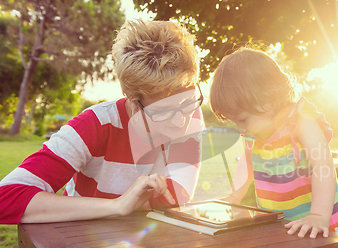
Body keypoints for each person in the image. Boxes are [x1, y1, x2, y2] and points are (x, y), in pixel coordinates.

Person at [0, 19, 204, 224]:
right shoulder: (94, 125)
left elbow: (177, 195)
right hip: (74, 240)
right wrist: (117, 205)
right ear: (133, 102)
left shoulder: (191, 116)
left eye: (187, 102)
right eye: (162, 112)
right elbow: (6, 199)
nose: (180, 122)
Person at [210, 47, 338, 248]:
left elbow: (323, 165)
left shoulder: (302, 122)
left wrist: (318, 216)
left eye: (243, 119)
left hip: (320, 226)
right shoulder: (253, 135)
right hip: (286, 226)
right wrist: (233, 197)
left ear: (268, 100)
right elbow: (245, 165)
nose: (240, 129)